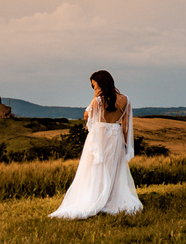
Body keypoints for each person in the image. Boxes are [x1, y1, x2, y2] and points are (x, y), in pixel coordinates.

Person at [49, 70, 143, 219]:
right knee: (113, 168)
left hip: (99, 139)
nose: (94, 89)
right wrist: (125, 144)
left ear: (101, 84)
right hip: (115, 137)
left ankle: (96, 197)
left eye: (95, 86)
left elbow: (87, 116)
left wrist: (94, 97)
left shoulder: (97, 101)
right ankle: (110, 198)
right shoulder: (126, 100)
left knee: (94, 169)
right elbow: (125, 126)